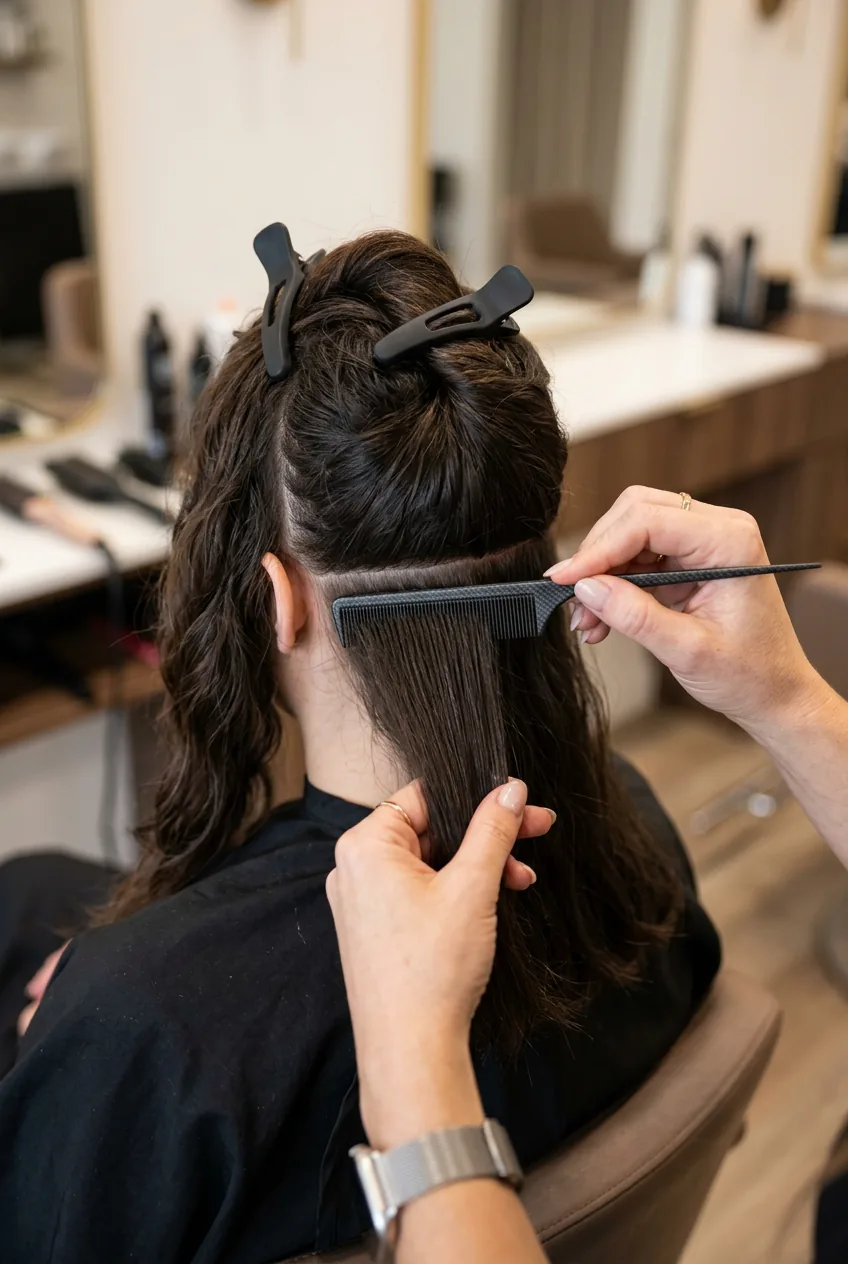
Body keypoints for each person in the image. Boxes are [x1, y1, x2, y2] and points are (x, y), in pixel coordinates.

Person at [0, 234, 718, 1262]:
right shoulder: (635, 838)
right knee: (34, 897)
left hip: (140, 1034)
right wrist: (117, 1005)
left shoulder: (141, 1034)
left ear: (270, 601)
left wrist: (102, 1031)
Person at [329, 489, 848, 1264]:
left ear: (274, 601)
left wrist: (412, 1053)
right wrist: (788, 697)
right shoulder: (628, 824)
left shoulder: (143, 1015)